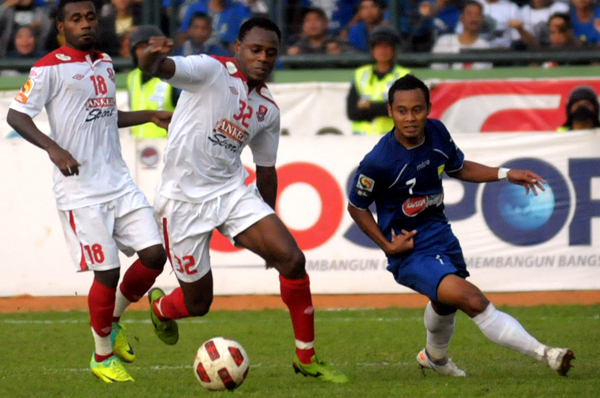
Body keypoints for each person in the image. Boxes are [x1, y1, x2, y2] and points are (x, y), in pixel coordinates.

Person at [137, 16, 348, 383]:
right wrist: (149, 58)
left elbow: (266, 170)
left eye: (271, 52)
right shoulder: (209, 70)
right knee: (198, 304)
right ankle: (161, 308)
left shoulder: (267, 109)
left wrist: (269, 223)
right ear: (237, 48)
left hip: (230, 192)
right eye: (255, 49)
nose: (263, 58)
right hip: (181, 202)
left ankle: (307, 357)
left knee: (292, 259)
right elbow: (161, 67)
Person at [347, 74, 575, 378]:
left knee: (445, 304)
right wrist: (388, 246)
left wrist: (506, 174)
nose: (410, 118)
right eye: (402, 110)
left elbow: (459, 167)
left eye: (417, 109)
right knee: (472, 299)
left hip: (439, 233)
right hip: (410, 249)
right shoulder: (379, 161)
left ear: (428, 108)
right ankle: (546, 354)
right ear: (390, 111)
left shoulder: (437, 132)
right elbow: (356, 206)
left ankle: (434, 358)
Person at [6, 0, 172, 383]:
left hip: (118, 181)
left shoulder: (107, 63)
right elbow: (16, 115)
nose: (85, 24)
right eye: (76, 19)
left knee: (154, 256)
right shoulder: (47, 67)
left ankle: (112, 321)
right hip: (80, 191)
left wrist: (148, 115)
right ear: (61, 26)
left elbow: (106, 115)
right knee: (107, 271)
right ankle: (101, 358)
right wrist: (53, 147)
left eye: (90, 18)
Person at [347, 25, 410, 135]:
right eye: (378, 46)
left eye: (387, 46)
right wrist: (386, 107)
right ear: (372, 49)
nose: (382, 50)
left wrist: (369, 106)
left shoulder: (404, 76)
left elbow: (403, 110)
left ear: (393, 49)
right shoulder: (360, 74)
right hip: (361, 141)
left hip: (391, 141)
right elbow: (352, 112)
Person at [128, 25, 178, 139]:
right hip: (136, 147)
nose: (145, 51)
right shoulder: (132, 77)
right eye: (140, 47)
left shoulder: (172, 77)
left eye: (149, 47)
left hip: (166, 146)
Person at [430, 1, 493, 70]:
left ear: (482, 19)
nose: (474, 18)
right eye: (469, 14)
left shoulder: (485, 46)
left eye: (477, 14)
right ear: (461, 17)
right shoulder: (444, 41)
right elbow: (436, 70)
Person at [287, 7, 354, 55]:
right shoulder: (297, 46)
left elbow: (356, 57)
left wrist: (341, 55)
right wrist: (291, 57)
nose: (312, 24)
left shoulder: (338, 42)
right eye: (308, 21)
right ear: (303, 26)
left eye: (317, 20)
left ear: (326, 23)